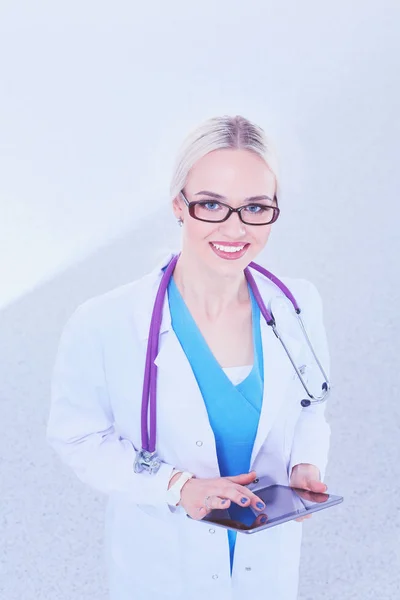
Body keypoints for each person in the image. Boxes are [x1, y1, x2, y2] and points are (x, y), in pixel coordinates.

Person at [46, 114, 331, 600]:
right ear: (179, 205)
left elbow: (310, 406)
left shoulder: (295, 305)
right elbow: (78, 437)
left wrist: (305, 466)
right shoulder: (106, 322)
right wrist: (177, 487)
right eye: (212, 204)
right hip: (162, 567)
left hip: (266, 565)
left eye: (256, 207)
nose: (235, 228)